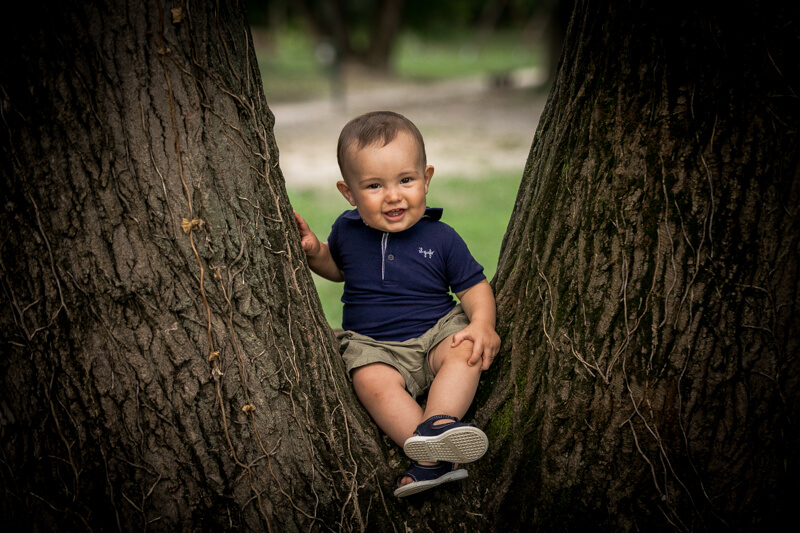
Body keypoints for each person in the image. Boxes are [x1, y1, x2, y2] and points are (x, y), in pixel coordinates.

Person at [293, 110, 501, 498]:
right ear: (349, 193)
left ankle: (438, 424)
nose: (393, 196)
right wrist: (314, 251)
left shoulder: (441, 237)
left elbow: (474, 287)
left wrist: (482, 324)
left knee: (466, 349)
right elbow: (338, 269)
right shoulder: (347, 230)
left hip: (436, 332)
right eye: (374, 186)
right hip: (376, 345)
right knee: (370, 381)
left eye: (406, 180)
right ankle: (432, 458)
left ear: (426, 179)